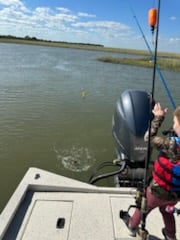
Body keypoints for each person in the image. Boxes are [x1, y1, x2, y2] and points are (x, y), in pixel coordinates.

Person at [127, 103, 180, 240]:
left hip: (157, 191)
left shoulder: (171, 144)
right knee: (167, 212)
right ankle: (171, 236)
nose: (173, 126)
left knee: (143, 208)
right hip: (176, 194)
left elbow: (148, 138)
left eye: (174, 122)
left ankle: (132, 227)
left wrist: (158, 118)